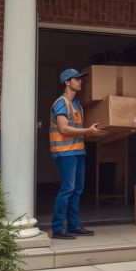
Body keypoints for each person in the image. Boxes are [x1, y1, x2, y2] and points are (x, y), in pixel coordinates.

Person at [49, 68, 107, 240]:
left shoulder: (76, 104)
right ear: (67, 82)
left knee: (77, 190)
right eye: (77, 79)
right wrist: (88, 131)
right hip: (65, 153)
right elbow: (63, 128)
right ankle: (58, 228)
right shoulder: (61, 103)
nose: (80, 82)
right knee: (67, 189)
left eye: (80, 79)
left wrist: (88, 132)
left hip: (78, 151)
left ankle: (74, 226)